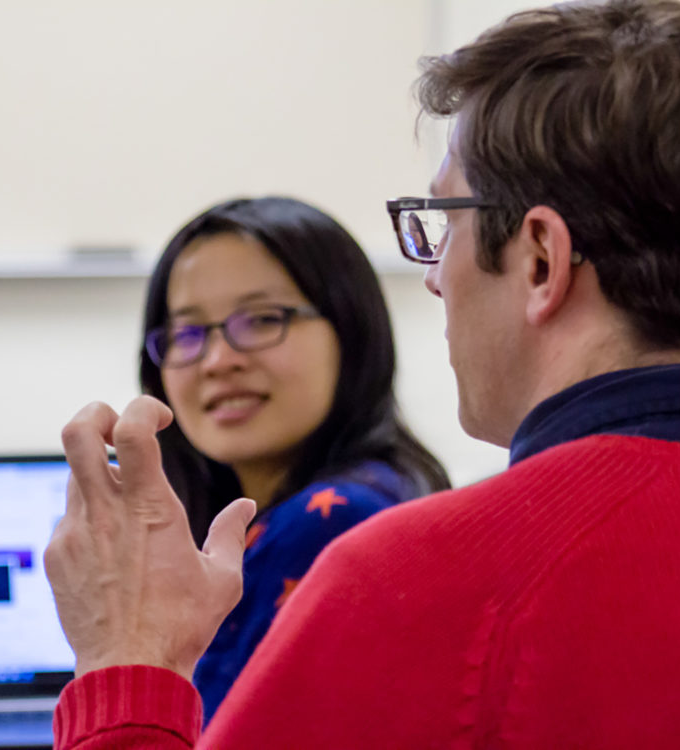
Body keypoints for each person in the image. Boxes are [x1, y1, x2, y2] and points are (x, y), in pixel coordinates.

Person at [43, 0, 680, 746]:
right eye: (189, 332)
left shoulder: (412, 576)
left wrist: (125, 658)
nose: (434, 278)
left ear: (541, 259)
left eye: (445, 223)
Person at [137, 196, 449, 721]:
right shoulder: (386, 487)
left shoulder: (328, 521)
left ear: (351, 330)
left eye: (263, 319)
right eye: (187, 332)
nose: (218, 361)